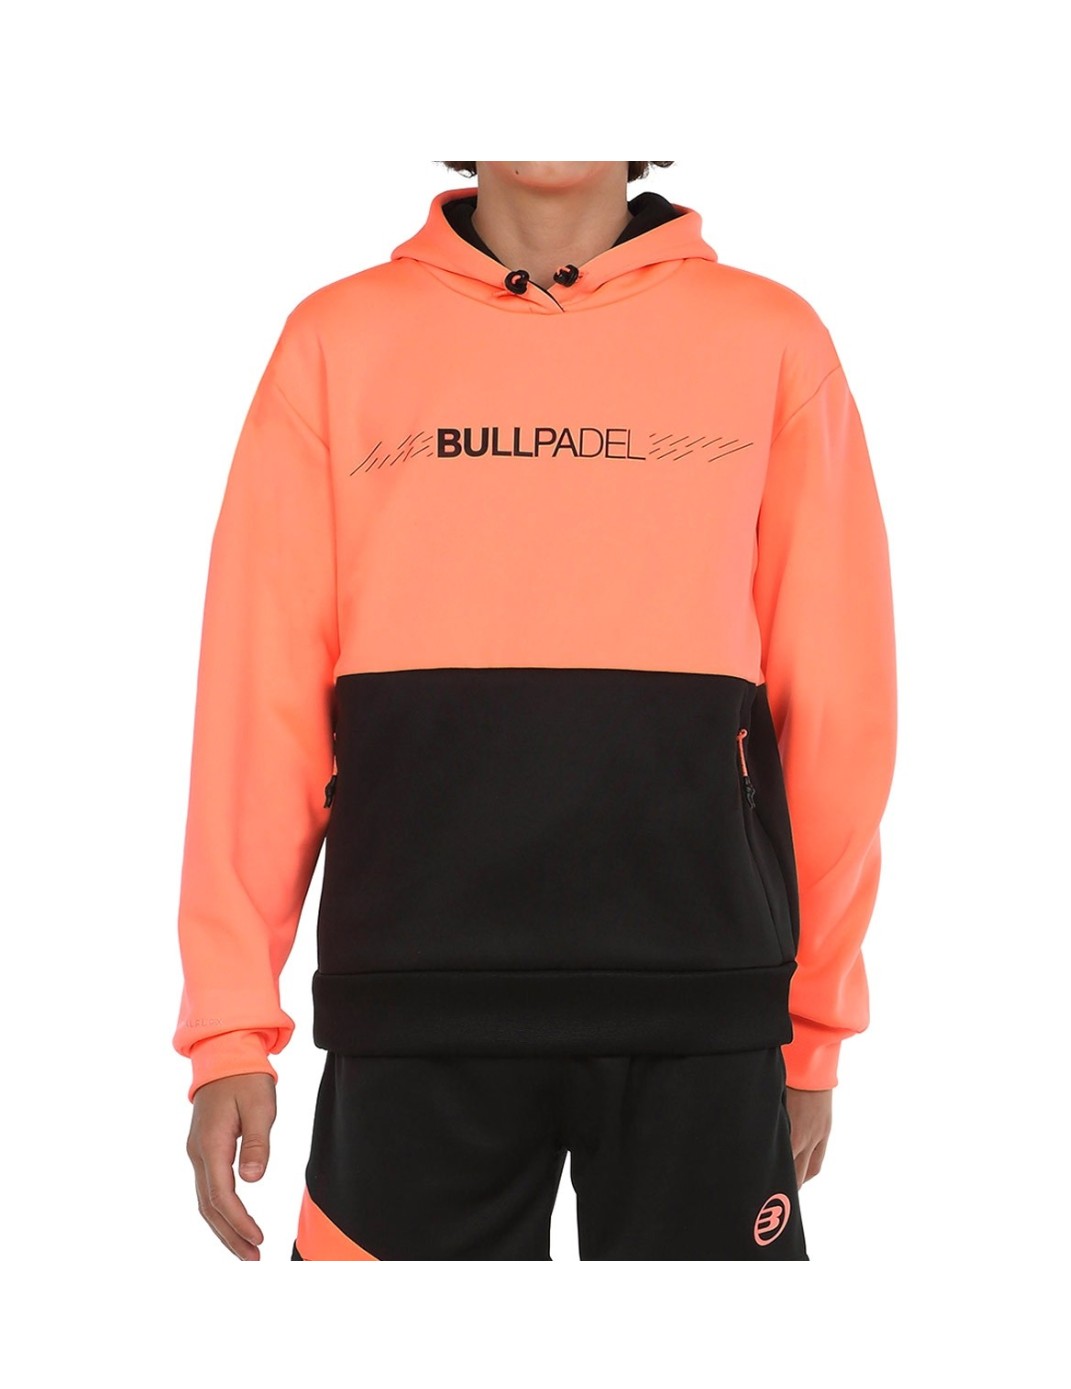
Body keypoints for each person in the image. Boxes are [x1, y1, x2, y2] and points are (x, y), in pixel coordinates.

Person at [175, 160, 897, 1261]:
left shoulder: (769, 340)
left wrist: (811, 1029)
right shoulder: (339, 341)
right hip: (415, 1003)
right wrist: (230, 1029)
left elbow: (838, 708)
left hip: (697, 1006)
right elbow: (258, 701)